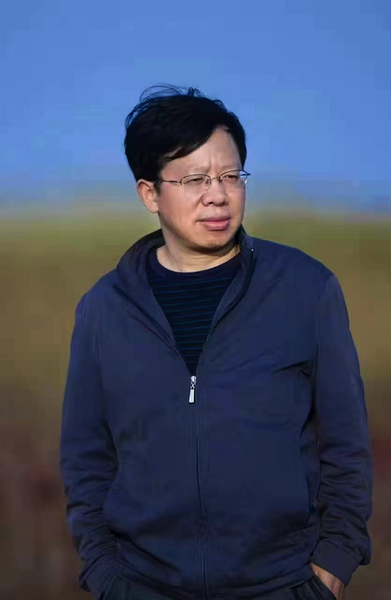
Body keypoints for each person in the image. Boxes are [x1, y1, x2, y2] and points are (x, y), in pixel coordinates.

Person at [60, 86, 373, 600]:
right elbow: (85, 459)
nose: (218, 195)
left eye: (231, 176)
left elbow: (347, 444)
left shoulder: (305, 289)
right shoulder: (103, 310)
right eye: (195, 180)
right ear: (149, 194)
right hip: (142, 585)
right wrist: (106, 576)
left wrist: (331, 568)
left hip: (284, 584)